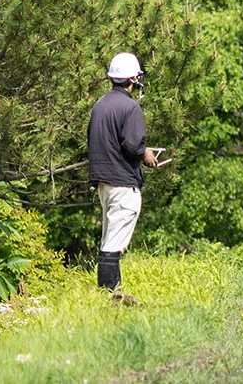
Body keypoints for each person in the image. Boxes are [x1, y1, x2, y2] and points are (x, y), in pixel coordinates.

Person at [87, 52, 159, 303]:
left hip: (104, 183)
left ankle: (112, 294)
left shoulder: (99, 105)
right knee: (113, 243)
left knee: (110, 237)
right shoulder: (131, 107)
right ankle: (109, 296)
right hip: (123, 183)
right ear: (133, 79)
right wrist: (146, 154)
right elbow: (132, 145)